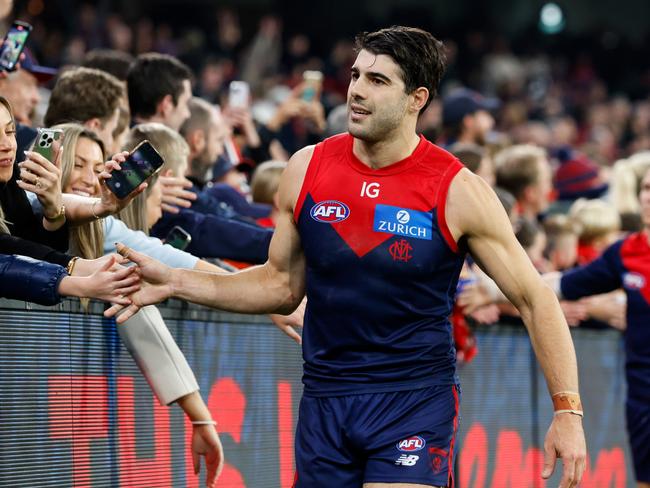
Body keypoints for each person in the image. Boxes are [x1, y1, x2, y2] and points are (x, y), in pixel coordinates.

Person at [108, 26, 586, 488]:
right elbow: (279, 285)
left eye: (378, 81)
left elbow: (534, 299)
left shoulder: (457, 189)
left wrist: (567, 411)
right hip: (325, 401)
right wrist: (175, 280)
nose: (357, 90)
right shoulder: (307, 167)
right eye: (356, 75)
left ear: (417, 99)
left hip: (413, 401)